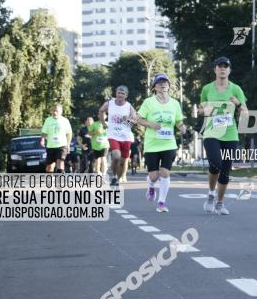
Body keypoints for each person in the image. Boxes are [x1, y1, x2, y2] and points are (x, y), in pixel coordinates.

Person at [200, 56, 248, 215]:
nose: (222, 69)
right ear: (215, 69)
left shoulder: (236, 89)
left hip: (230, 133)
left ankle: (220, 204)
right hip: (211, 132)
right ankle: (210, 195)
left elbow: (245, 112)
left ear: (229, 70)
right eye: (219, 66)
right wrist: (204, 111)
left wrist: (238, 104)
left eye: (225, 66)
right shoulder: (207, 89)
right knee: (215, 164)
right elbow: (200, 109)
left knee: (226, 170)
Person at [134, 73, 187, 213]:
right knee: (154, 175)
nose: (163, 85)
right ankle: (151, 186)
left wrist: (182, 127)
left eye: (165, 82)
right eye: (160, 83)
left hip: (169, 144)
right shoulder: (148, 102)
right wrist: (150, 124)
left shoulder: (175, 103)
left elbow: (178, 121)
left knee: (165, 173)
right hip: (152, 144)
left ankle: (161, 202)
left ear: (169, 86)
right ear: (155, 87)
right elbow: (137, 119)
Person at [99, 85, 137, 187]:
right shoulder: (109, 103)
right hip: (113, 134)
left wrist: (126, 119)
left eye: (122, 93)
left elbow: (133, 122)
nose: (120, 95)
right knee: (116, 156)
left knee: (124, 161)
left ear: (126, 95)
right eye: (118, 93)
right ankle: (114, 176)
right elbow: (101, 110)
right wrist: (103, 123)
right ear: (116, 93)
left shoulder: (129, 106)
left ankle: (118, 179)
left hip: (126, 136)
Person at [40, 103, 73, 173]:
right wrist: (42, 140)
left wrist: (68, 144)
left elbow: (69, 133)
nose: (55, 112)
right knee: (49, 167)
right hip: (51, 146)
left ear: (61, 112)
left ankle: (60, 182)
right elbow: (44, 132)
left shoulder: (65, 121)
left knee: (60, 162)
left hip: (62, 145)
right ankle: (50, 181)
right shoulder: (48, 120)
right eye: (53, 110)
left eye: (56, 111)